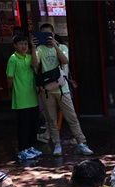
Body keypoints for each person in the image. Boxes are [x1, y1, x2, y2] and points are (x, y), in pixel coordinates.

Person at [34, 24, 93, 157]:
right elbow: (34, 65)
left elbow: (65, 61)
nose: (46, 37)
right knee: (51, 120)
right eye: (43, 34)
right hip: (47, 90)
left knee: (72, 117)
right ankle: (57, 145)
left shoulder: (62, 47)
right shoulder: (39, 49)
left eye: (48, 34)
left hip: (62, 89)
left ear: (53, 34)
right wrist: (33, 48)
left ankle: (81, 143)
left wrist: (55, 46)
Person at [6, 34, 41, 162]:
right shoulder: (13, 59)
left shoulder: (29, 57)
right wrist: (12, 92)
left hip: (32, 96)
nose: (23, 46)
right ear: (14, 46)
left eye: (25, 44)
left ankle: (31, 147)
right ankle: (22, 150)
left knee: (33, 124)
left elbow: (35, 66)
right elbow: (9, 78)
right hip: (21, 97)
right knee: (23, 125)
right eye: (20, 44)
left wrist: (33, 48)